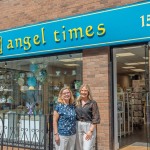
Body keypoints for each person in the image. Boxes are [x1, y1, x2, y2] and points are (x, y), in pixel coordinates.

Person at [75, 84, 100, 150]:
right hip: (78, 125)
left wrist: (90, 131)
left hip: (89, 126)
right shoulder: (77, 102)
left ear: (88, 92)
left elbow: (96, 117)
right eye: (82, 90)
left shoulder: (92, 103)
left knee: (87, 148)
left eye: (85, 90)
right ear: (80, 91)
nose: (83, 92)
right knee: (79, 147)